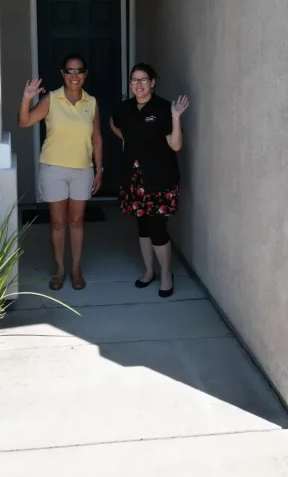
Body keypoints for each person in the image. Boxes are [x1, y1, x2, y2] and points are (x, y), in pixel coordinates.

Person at [18, 54, 103, 291]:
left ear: (85, 74)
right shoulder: (51, 99)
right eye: (70, 71)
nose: (74, 76)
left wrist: (99, 169)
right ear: (62, 74)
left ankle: (75, 269)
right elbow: (24, 122)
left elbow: (97, 139)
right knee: (57, 222)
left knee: (76, 221)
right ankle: (59, 269)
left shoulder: (92, 102)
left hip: (83, 170)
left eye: (79, 71)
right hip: (54, 169)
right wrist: (27, 98)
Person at [109, 63, 189, 298]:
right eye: (134, 80)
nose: (138, 84)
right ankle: (148, 270)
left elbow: (175, 145)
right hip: (133, 177)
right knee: (143, 226)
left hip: (159, 177)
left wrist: (175, 117)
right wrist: (127, 138)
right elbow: (113, 123)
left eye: (143, 80)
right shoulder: (125, 108)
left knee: (157, 228)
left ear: (153, 82)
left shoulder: (165, 108)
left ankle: (166, 274)